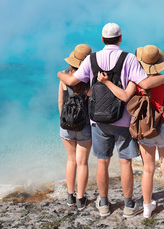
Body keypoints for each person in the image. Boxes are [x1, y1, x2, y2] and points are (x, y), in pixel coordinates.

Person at [57, 23, 164, 218]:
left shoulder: (91, 59)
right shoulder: (129, 59)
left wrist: (60, 74)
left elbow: (71, 82)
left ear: (102, 39)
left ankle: (103, 203)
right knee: (125, 162)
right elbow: (144, 83)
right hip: (124, 120)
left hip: (98, 121)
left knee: (102, 162)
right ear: (120, 39)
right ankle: (128, 205)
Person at [99, 44, 164, 218]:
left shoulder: (135, 81)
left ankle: (148, 208)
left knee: (148, 169)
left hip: (145, 127)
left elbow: (125, 97)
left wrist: (106, 83)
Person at [57, 44, 93, 210]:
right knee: (82, 163)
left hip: (66, 125)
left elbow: (60, 103)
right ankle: (80, 199)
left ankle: (69, 196)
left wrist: (66, 119)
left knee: (71, 160)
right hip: (84, 127)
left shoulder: (64, 78)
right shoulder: (88, 80)